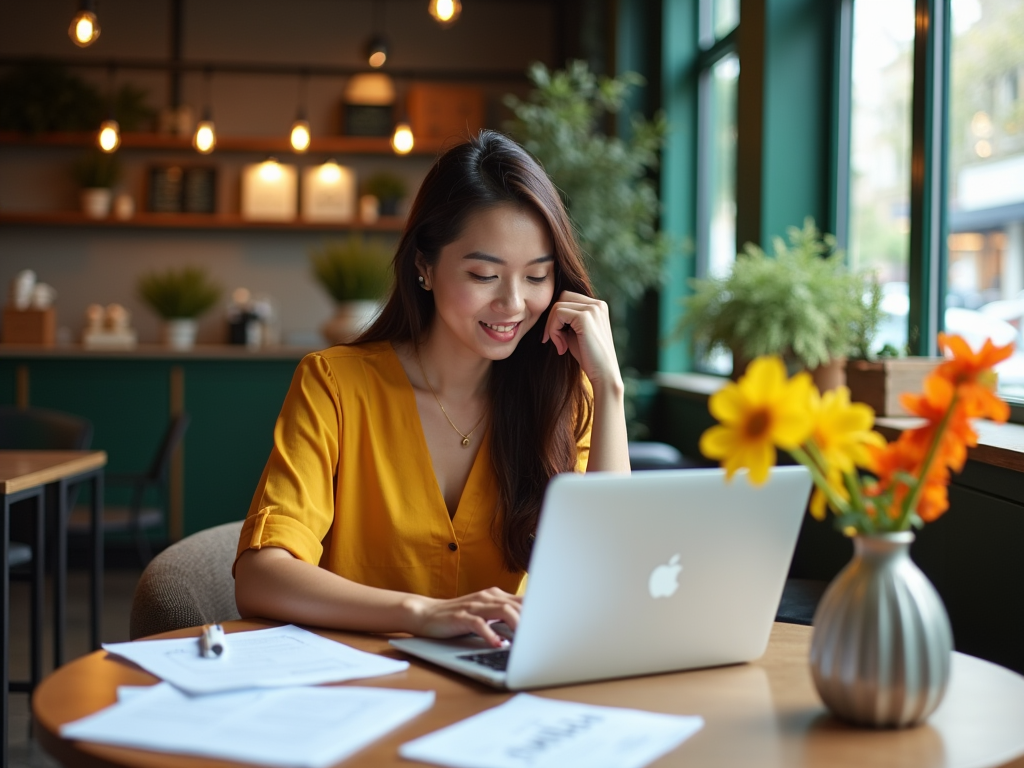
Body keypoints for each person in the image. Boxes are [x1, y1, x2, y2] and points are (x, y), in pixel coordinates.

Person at [234, 130, 630, 648]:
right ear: (424, 265)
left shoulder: (562, 393)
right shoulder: (335, 385)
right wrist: (423, 613)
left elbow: (611, 577)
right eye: (485, 274)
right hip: (363, 693)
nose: (513, 304)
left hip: (508, 690)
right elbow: (261, 575)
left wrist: (610, 388)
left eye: (537, 277)